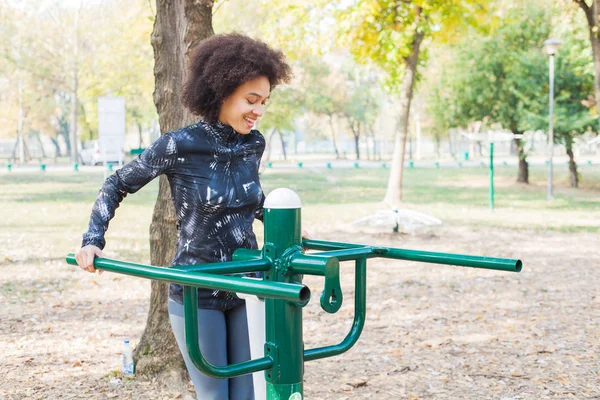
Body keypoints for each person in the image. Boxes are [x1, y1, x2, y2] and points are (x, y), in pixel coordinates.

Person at [75, 33, 293, 400]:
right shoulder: (179, 145)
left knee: (249, 394)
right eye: (251, 100)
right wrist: (92, 240)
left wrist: (290, 233)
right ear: (221, 92)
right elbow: (116, 183)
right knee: (216, 397)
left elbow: (247, 202)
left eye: (264, 102)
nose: (258, 111)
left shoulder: (253, 144)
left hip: (247, 287)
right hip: (197, 293)